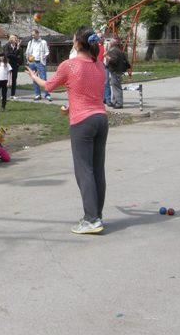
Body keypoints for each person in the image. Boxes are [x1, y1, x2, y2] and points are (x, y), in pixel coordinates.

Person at [27, 26, 108, 235]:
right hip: (100, 119)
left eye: (73, 39)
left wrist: (34, 76)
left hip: (83, 123)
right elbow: (89, 94)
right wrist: (71, 107)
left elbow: (49, 86)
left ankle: (91, 219)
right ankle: (96, 216)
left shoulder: (69, 65)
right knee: (97, 170)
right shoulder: (99, 65)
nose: (72, 42)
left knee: (84, 171)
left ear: (78, 43)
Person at [25, 28, 51, 101]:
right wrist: (27, 56)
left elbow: (47, 51)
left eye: (34, 35)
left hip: (40, 62)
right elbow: (27, 52)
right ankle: (37, 95)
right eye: (32, 35)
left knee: (43, 79)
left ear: (37, 34)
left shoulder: (43, 42)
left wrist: (45, 55)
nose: (32, 36)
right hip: (32, 62)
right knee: (34, 78)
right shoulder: (30, 42)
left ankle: (47, 95)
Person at [105, 37, 129, 109]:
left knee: (117, 87)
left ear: (112, 44)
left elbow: (114, 61)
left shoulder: (115, 51)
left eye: (110, 42)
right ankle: (114, 101)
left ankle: (119, 103)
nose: (108, 43)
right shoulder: (117, 50)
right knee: (115, 87)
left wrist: (106, 56)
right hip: (116, 71)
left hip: (115, 71)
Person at [3, 34, 23, 99]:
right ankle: (4, 95)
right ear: (11, 39)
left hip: (15, 65)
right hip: (8, 64)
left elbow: (19, 55)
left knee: (14, 80)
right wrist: (15, 54)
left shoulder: (18, 46)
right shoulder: (7, 45)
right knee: (6, 79)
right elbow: (7, 55)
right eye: (15, 38)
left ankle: (13, 95)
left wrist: (17, 50)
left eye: (16, 38)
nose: (16, 39)